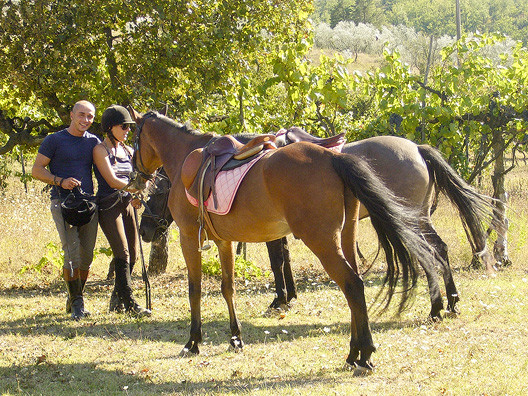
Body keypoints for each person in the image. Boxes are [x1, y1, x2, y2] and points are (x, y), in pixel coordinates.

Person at [32, 100, 100, 321]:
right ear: (71, 115)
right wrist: (59, 181)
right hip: (62, 203)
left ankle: (74, 297)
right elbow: (36, 169)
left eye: (90, 117)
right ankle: (78, 304)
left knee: (87, 256)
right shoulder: (54, 140)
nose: (86, 120)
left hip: (88, 204)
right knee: (71, 254)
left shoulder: (94, 142)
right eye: (81, 115)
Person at [93, 105, 151, 317]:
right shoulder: (100, 150)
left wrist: (137, 195)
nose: (128, 130)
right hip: (109, 206)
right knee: (123, 252)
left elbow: (136, 177)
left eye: (129, 126)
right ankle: (129, 302)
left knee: (134, 253)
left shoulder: (128, 150)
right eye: (123, 126)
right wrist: (133, 188)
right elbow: (112, 180)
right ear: (110, 127)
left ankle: (116, 299)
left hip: (127, 204)